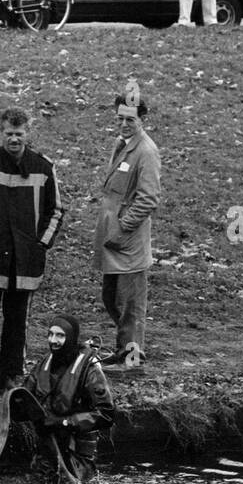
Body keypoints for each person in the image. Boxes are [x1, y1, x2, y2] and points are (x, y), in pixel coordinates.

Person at [0, 107, 64, 393]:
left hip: (25, 261)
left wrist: (40, 243)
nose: (13, 139)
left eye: (18, 134)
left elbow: (55, 210)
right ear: (0, 132)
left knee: (18, 322)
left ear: (27, 133)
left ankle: (11, 375)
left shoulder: (43, 167)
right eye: (8, 134)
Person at [94, 95, 161, 371]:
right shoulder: (121, 145)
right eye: (120, 118)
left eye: (130, 119)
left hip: (128, 241)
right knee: (111, 298)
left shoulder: (146, 151)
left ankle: (132, 359)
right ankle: (123, 350)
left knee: (130, 304)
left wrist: (123, 226)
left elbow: (148, 198)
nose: (123, 124)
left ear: (142, 120)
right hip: (113, 239)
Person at [21, 313, 114, 484]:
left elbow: (106, 414)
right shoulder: (43, 364)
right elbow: (25, 397)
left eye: (60, 335)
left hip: (78, 447)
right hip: (48, 442)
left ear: (71, 338)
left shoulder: (90, 369)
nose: (53, 340)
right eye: (50, 334)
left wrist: (64, 422)